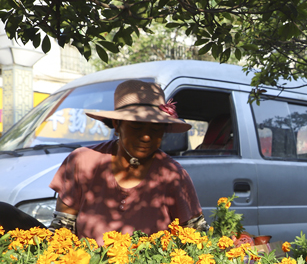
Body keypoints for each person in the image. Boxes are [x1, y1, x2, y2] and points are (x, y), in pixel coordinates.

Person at [48, 80, 207, 245]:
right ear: (117, 125)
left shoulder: (173, 175)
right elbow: (62, 230)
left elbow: (196, 236)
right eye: (137, 127)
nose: (146, 137)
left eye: (155, 129)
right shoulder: (81, 162)